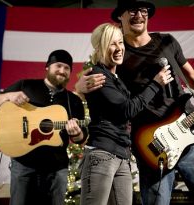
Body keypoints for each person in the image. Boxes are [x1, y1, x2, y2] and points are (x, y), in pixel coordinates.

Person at [75, 0, 194, 204]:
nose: (139, 15)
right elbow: (97, 82)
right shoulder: (116, 50)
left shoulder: (167, 42)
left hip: (190, 136)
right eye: (133, 10)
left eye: (144, 10)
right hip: (151, 145)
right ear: (120, 17)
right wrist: (80, 88)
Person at [79, 23, 172, 205]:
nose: (119, 48)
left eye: (120, 43)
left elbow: (132, 110)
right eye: (112, 44)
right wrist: (155, 84)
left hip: (121, 157)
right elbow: (126, 110)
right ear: (100, 47)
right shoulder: (99, 76)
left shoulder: (116, 79)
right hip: (102, 154)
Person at [0, 49, 87, 205]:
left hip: (57, 169)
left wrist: (77, 134)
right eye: (58, 66)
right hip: (24, 165)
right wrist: (9, 96)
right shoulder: (25, 85)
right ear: (47, 67)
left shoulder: (73, 101)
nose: (62, 71)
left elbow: (81, 137)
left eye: (67, 68)